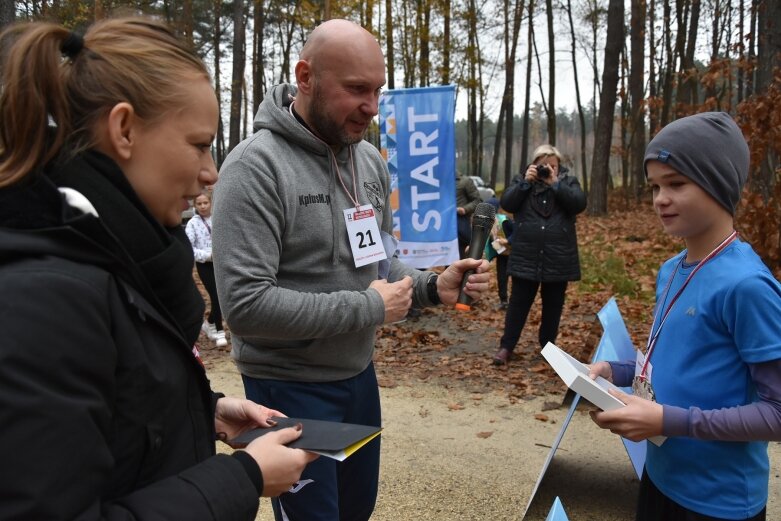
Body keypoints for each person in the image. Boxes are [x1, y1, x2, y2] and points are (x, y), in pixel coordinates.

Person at [0, 17, 317, 520]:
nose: (211, 171)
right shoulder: (45, 294)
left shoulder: (114, 252)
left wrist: (204, 410)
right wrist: (243, 477)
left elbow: (108, 411)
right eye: (198, 144)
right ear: (124, 129)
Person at [212, 18, 491, 521]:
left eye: (378, 89)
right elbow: (246, 307)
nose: (372, 106)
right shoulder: (254, 167)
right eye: (356, 89)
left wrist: (431, 285)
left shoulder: (369, 162)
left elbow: (378, 259)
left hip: (358, 377)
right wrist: (368, 307)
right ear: (305, 77)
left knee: (357, 511)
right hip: (287, 386)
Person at [588, 112, 781, 521]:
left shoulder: (747, 285)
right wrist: (615, 369)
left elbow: (777, 412)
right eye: (655, 186)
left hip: (719, 501)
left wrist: (669, 420)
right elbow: (675, 360)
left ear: (718, 185)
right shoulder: (672, 268)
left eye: (676, 183)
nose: (660, 198)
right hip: (658, 476)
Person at [492, 145, 587, 365]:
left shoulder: (568, 182)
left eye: (552, 165)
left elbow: (578, 204)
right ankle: (506, 347)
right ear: (534, 164)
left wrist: (555, 184)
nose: (548, 169)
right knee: (518, 304)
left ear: (559, 166)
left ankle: (548, 348)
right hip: (526, 254)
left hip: (558, 256)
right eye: (543, 165)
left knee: (553, 306)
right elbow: (506, 203)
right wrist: (525, 182)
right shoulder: (522, 182)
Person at [186, 191, 228, 347]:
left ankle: (209, 323)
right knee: (216, 296)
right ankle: (219, 331)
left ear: (211, 203)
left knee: (223, 295)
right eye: (199, 204)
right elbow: (189, 247)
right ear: (195, 206)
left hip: (221, 263)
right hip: (205, 265)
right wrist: (207, 255)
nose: (203, 206)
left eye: (205, 203)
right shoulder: (192, 223)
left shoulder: (219, 219)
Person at [484, 196, 512, 309]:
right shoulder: (487, 223)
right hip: (501, 254)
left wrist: (508, 241)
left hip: (514, 253)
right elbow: (488, 241)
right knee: (501, 277)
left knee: (515, 277)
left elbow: (517, 232)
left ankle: (515, 302)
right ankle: (504, 300)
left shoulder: (504, 220)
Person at [455, 171, 483, 258]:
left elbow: (478, 201)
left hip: (460, 224)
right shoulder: (438, 181)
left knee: (459, 258)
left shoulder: (465, 181)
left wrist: (465, 209)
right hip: (441, 226)